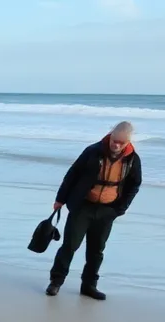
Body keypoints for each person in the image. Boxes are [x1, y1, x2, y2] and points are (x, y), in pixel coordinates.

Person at [46, 121, 142, 301]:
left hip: (107, 210)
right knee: (70, 245)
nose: (116, 145)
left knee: (96, 250)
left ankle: (89, 286)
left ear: (128, 142)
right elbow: (72, 174)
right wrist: (60, 199)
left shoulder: (132, 159)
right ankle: (56, 282)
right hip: (82, 206)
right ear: (110, 135)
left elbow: (134, 184)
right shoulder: (93, 151)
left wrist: (120, 209)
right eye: (115, 140)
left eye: (121, 143)